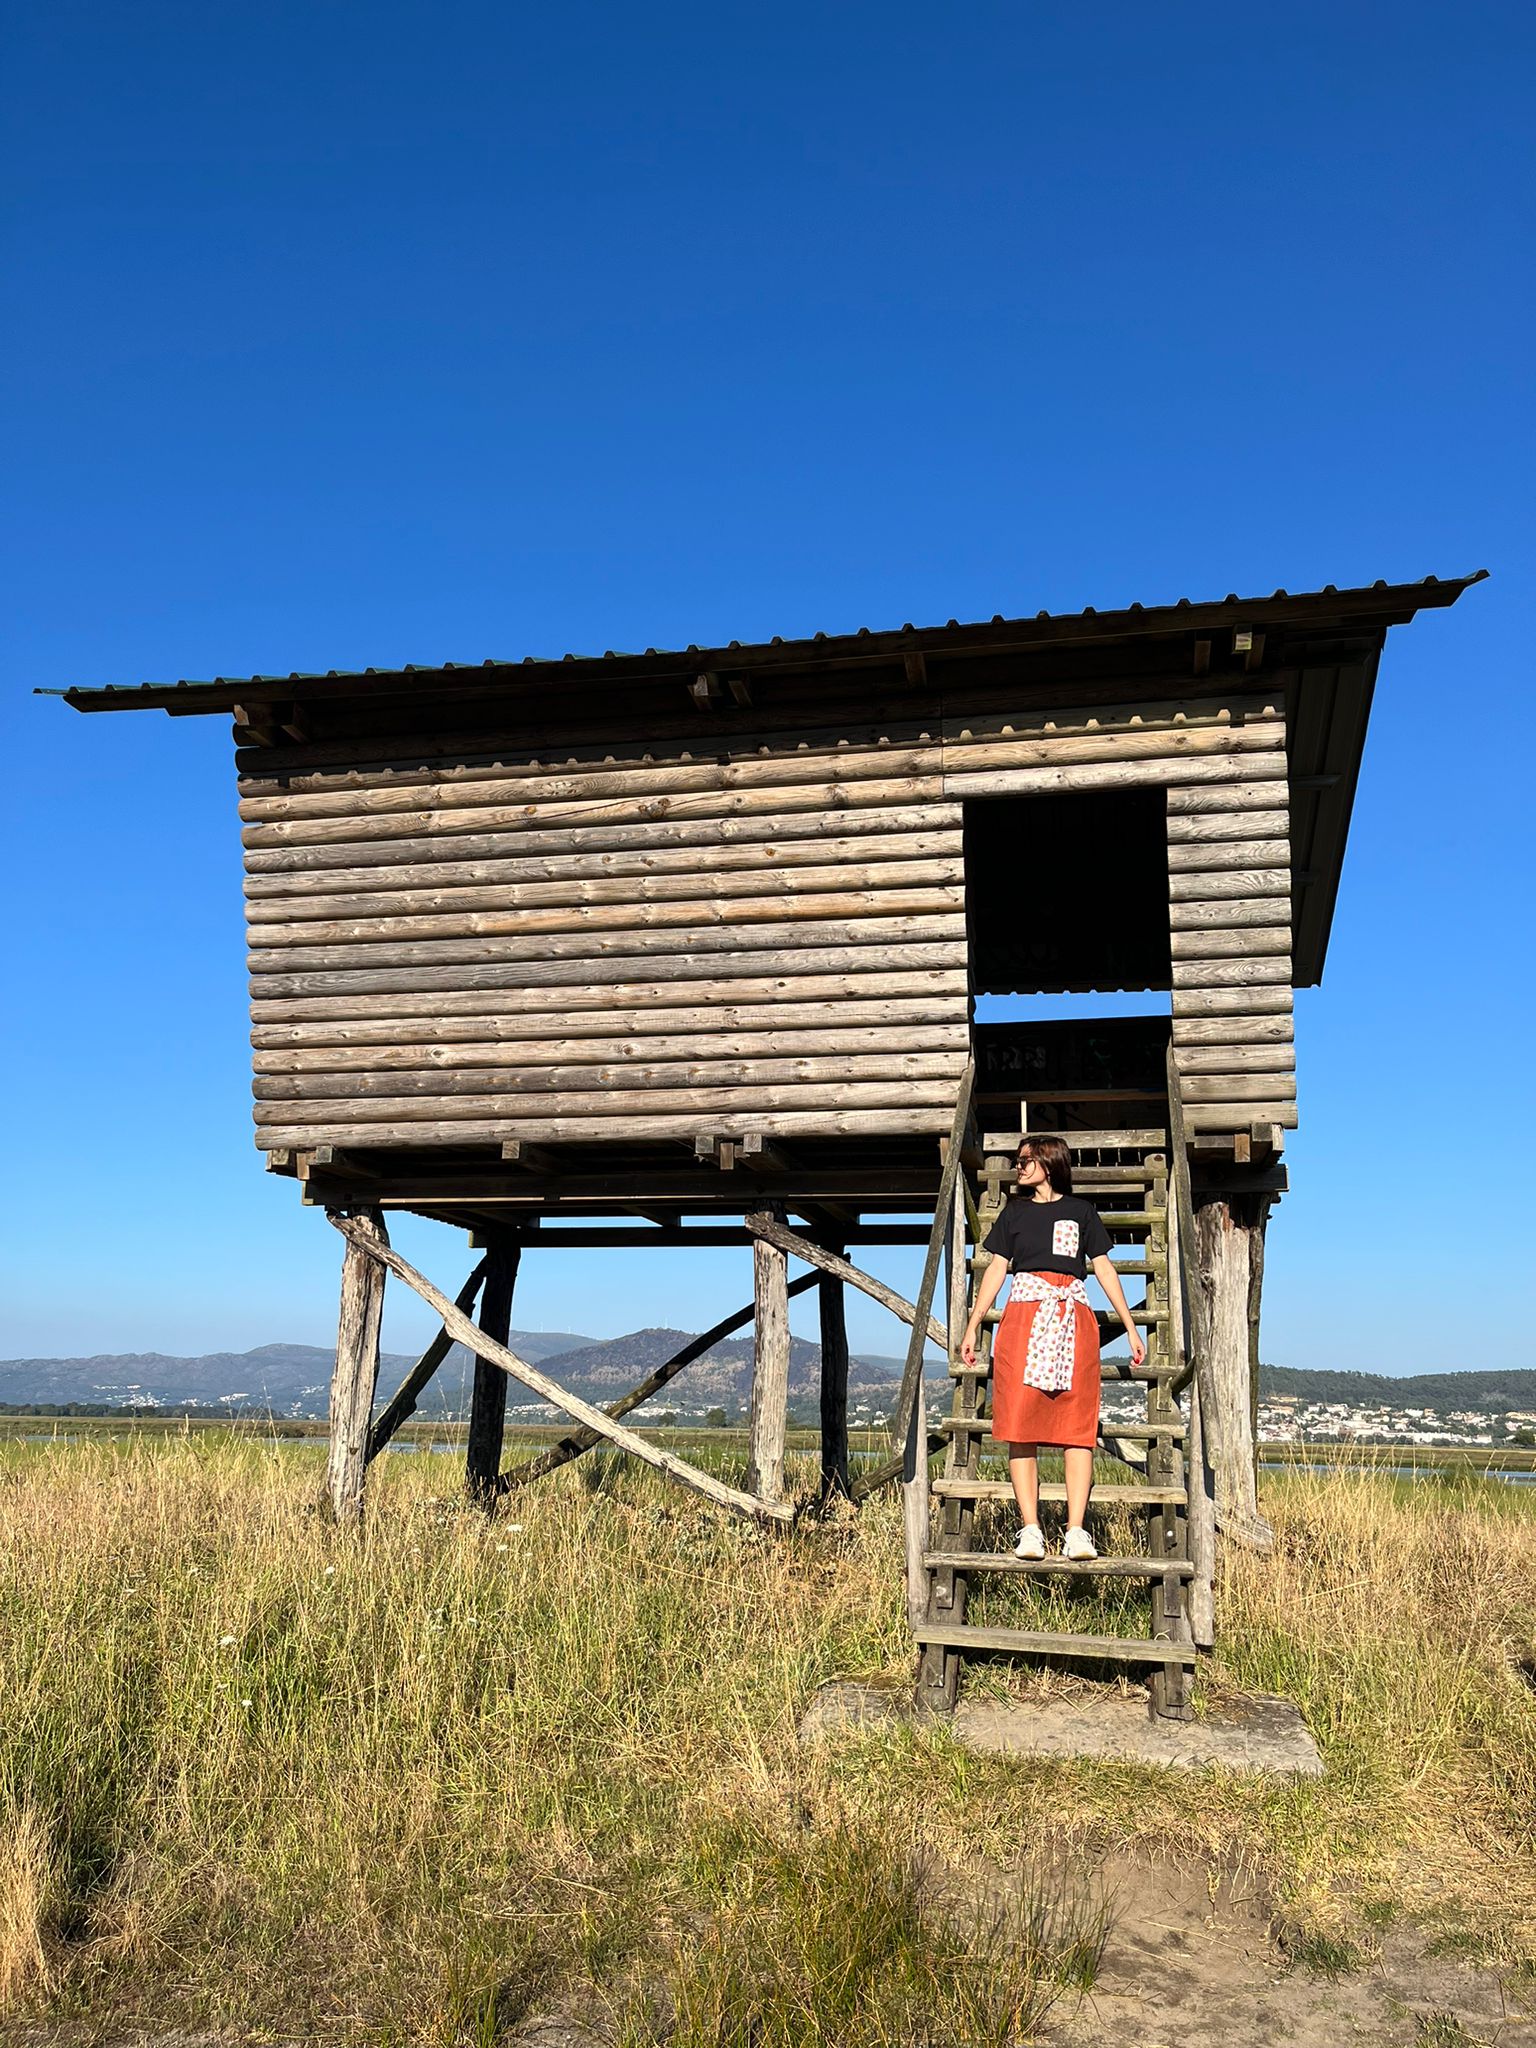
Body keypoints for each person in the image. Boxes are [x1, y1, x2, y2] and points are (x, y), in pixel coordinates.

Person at [960, 1135, 1146, 1561]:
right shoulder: (1015, 1213)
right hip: (1024, 1319)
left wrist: (1131, 1328)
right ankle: (1030, 1529)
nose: (1019, 1167)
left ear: (1049, 1162)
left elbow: (1103, 1268)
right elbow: (995, 1272)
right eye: (1018, 1160)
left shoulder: (1080, 1212)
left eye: (1026, 1160)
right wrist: (973, 1326)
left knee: (1076, 1423)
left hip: (1072, 1321)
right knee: (1019, 1421)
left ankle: (1076, 1531)